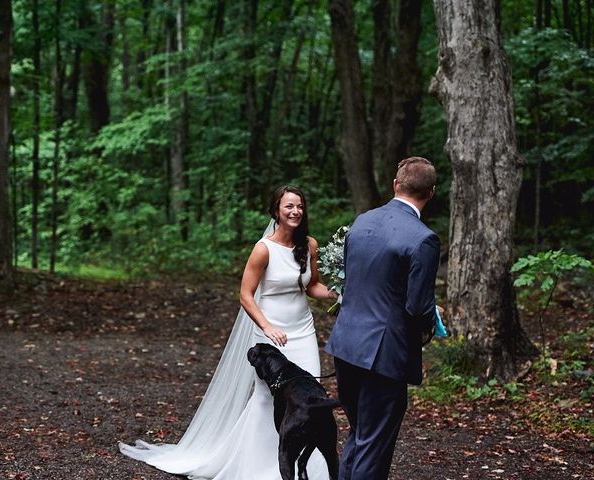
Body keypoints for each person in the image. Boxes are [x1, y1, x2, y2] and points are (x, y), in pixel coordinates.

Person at [119, 185, 338, 480]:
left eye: (299, 206)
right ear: (276, 211)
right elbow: (246, 295)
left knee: (308, 396)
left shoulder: (310, 245)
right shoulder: (264, 249)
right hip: (270, 333)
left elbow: (311, 286)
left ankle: (307, 469)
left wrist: (338, 294)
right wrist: (267, 327)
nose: (295, 211)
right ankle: (260, 468)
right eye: (289, 206)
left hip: (303, 331)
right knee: (268, 400)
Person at [325, 157, 442, 480]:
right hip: (383, 355)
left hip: (346, 344)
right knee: (373, 445)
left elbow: (357, 281)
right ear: (431, 193)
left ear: (395, 184)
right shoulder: (424, 239)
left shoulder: (362, 221)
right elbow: (418, 308)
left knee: (360, 434)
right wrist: (434, 313)